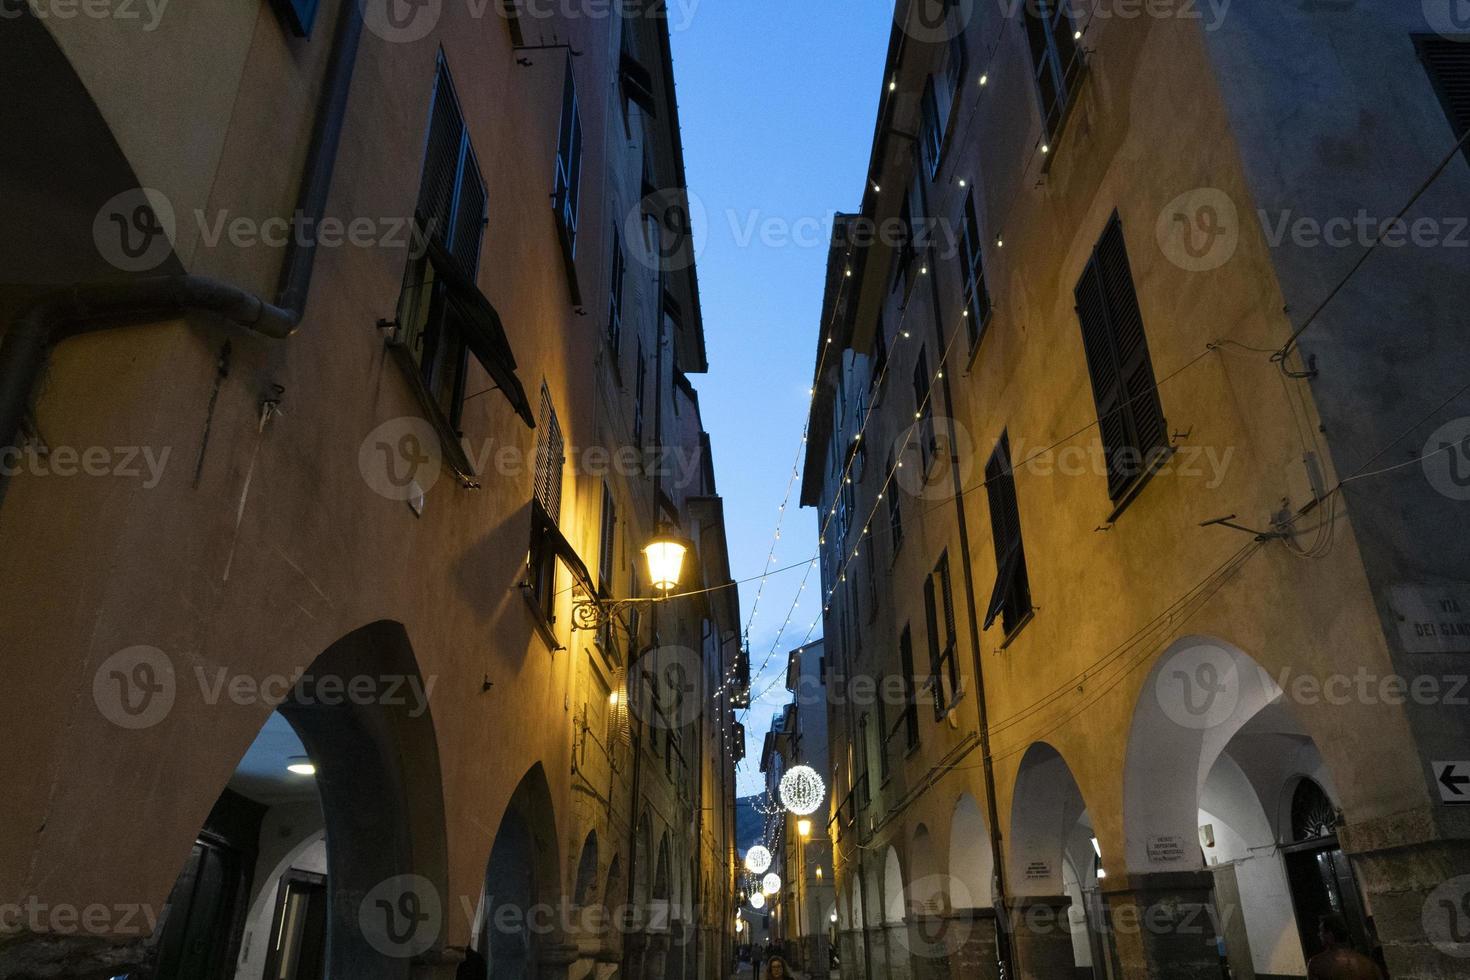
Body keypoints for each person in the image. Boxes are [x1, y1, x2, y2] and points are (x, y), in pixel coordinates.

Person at [1306, 914, 1383, 980]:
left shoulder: (1317, 963)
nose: (1319, 935)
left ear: (1330, 934)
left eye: (1321, 931)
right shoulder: (1369, 964)